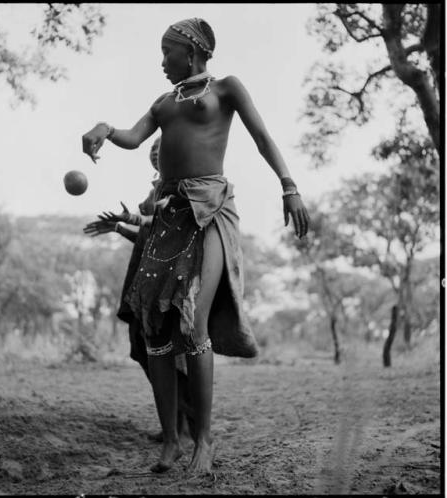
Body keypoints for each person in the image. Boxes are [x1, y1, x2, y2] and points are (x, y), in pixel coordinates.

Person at [82, 17, 310, 475]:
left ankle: (203, 442)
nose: (161, 61)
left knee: (193, 322)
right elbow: (132, 137)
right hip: (168, 218)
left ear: (191, 51)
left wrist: (289, 185)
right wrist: (105, 129)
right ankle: (170, 441)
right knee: (156, 333)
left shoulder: (226, 88)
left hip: (208, 211)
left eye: (166, 52)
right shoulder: (164, 103)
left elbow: (263, 137)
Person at [83, 137, 195, 443]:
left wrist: (131, 218)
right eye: (153, 150)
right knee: (141, 347)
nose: (156, 153)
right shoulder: (155, 188)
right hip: (144, 275)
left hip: (167, 278)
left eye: (163, 148)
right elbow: (149, 237)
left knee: (168, 351)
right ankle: (175, 420)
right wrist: (119, 228)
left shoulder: (182, 186)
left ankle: (186, 423)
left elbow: (165, 227)